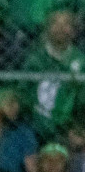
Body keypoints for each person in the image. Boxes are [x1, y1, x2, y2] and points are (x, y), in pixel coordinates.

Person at [21, 9, 83, 140]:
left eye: (66, 24)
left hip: (69, 124)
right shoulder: (35, 57)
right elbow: (24, 92)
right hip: (34, 123)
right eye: (55, 23)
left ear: (73, 29)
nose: (60, 29)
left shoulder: (80, 60)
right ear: (47, 28)